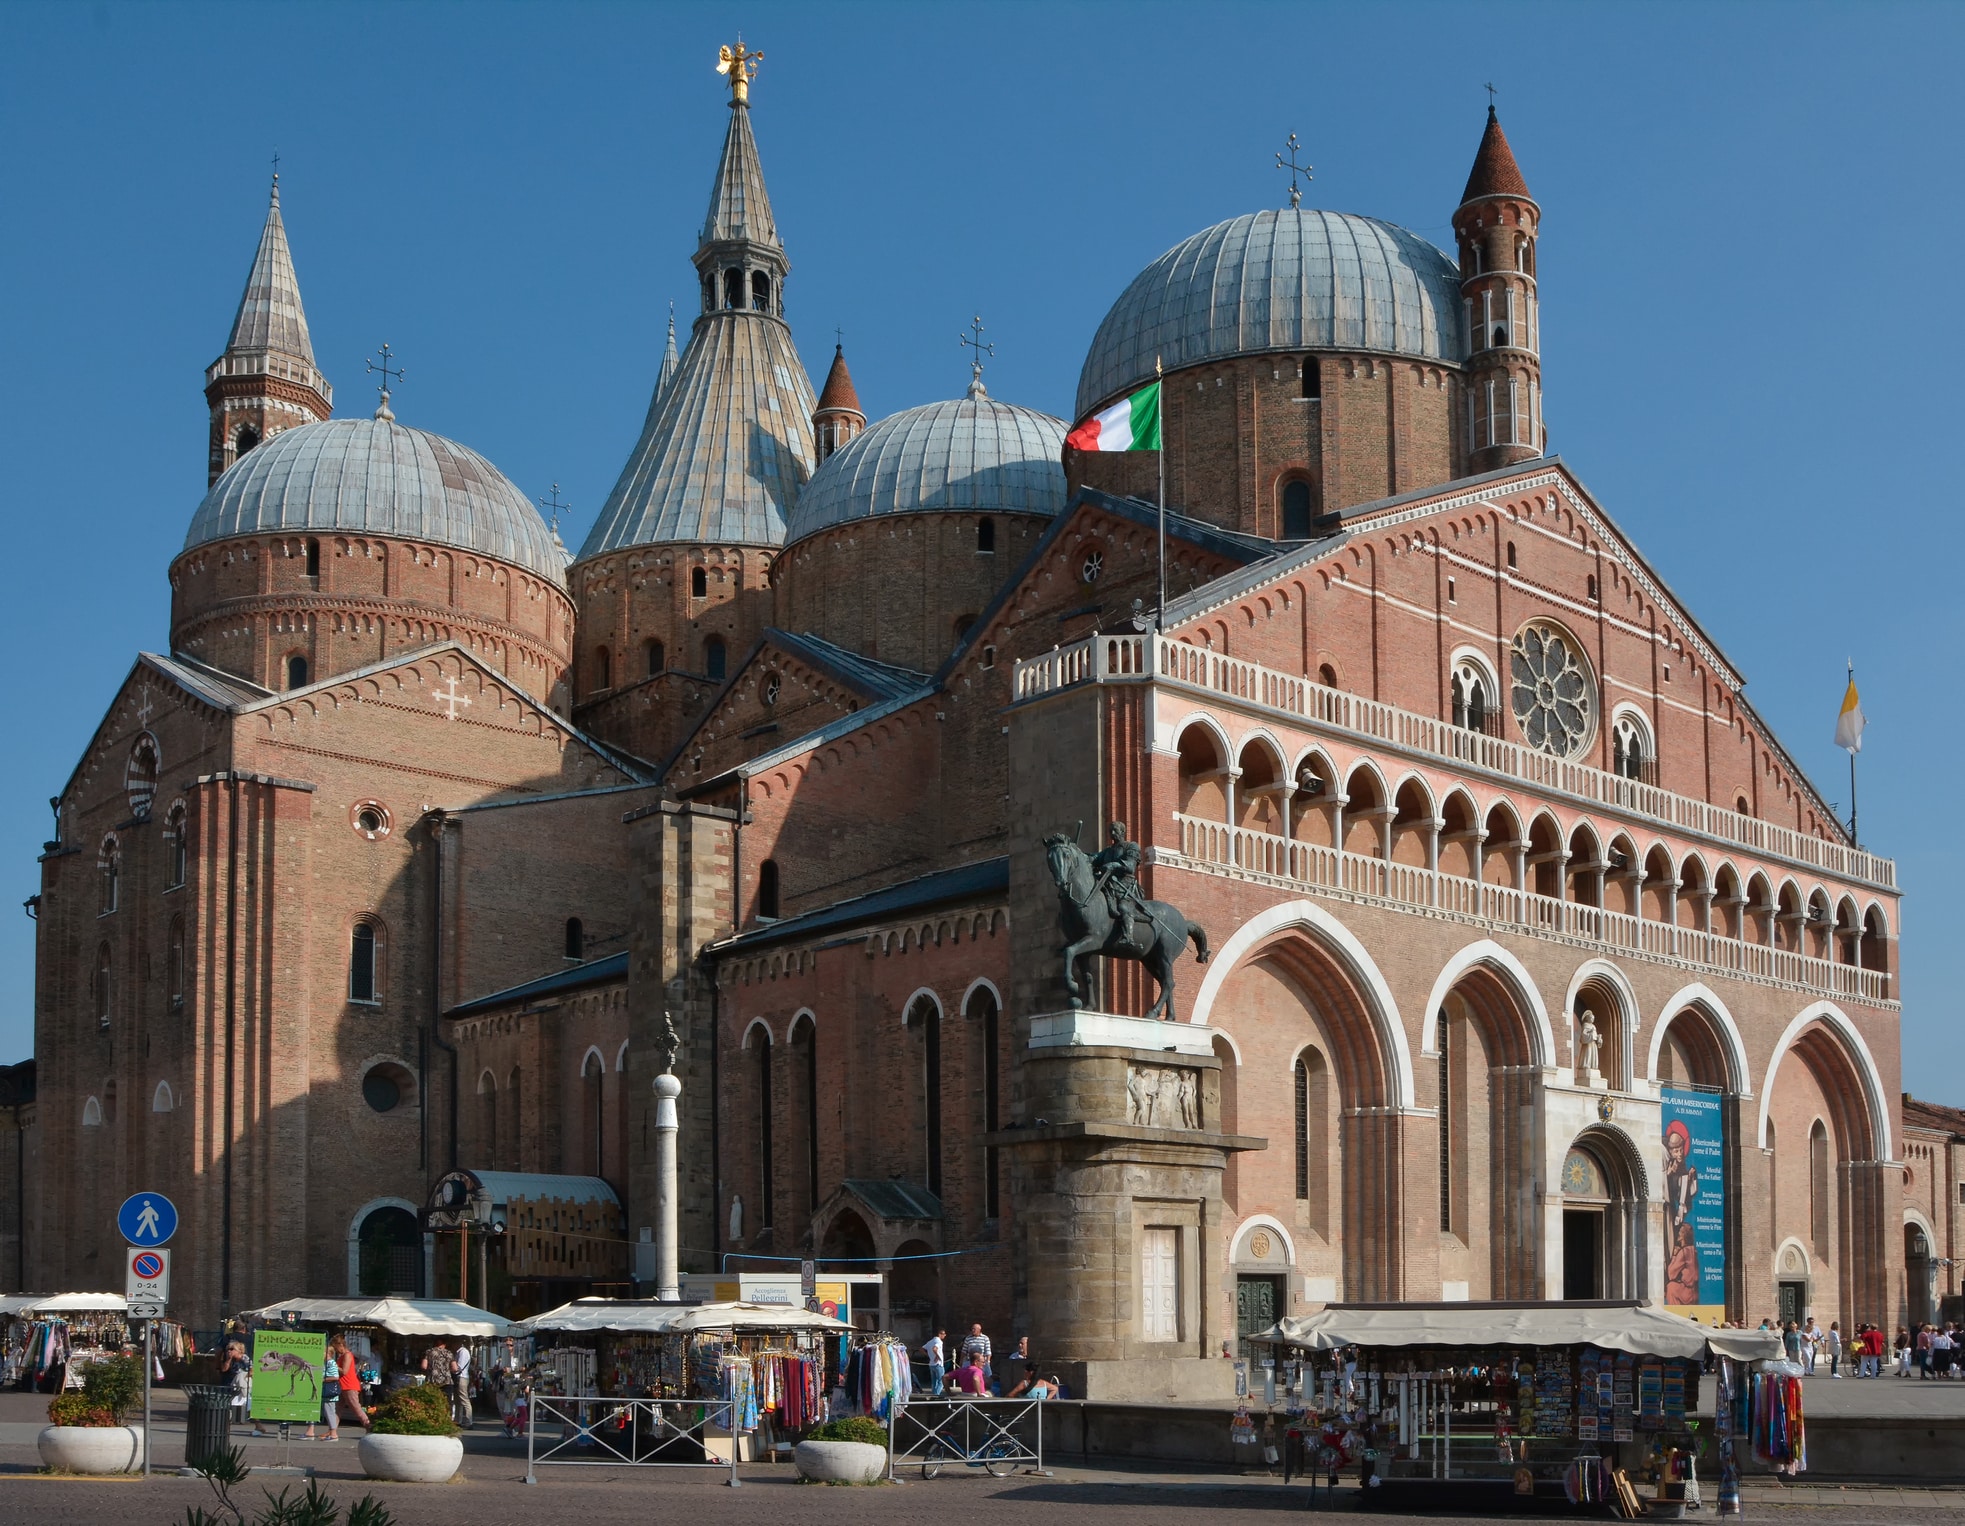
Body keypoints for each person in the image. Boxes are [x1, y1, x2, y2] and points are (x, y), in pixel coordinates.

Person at [329, 1335, 370, 1430]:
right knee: (337, 1409)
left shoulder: (347, 1355)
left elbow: (344, 1371)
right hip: (343, 1385)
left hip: (349, 1386)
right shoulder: (343, 1356)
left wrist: (333, 1364)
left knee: (356, 1408)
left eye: (336, 1348)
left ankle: (368, 1425)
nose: (336, 1350)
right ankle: (332, 1431)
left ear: (341, 1345)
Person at [308, 1338, 341, 1441]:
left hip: (328, 1391)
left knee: (329, 1411)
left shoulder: (331, 1363)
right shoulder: (323, 1363)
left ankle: (333, 1433)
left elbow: (335, 1377)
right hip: (322, 1391)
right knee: (320, 1410)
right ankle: (310, 1430)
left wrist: (322, 1379)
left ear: (328, 1353)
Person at [922, 1329, 946, 1397]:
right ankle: (936, 1394)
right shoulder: (939, 1341)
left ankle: (933, 1393)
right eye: (943, 1334)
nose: (945, 1335)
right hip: (938, 1364)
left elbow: (921, 1349)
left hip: (931, 1364)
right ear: (940, 1334)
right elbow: (934, 1348)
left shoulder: (930, 1342)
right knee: (941, 1381)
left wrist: (928, 1355)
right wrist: (937, 1356)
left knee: (934, 1381)